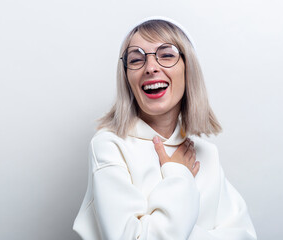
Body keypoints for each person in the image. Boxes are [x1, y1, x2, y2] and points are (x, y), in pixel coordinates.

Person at [73, 16, 257, 240]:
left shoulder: (206, 154)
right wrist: (178, 174)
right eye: (136, 60)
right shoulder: (109, 146)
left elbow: (245, 236)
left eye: (167, 55)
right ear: (127, 77)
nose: (150, 68)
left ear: (188, 68)